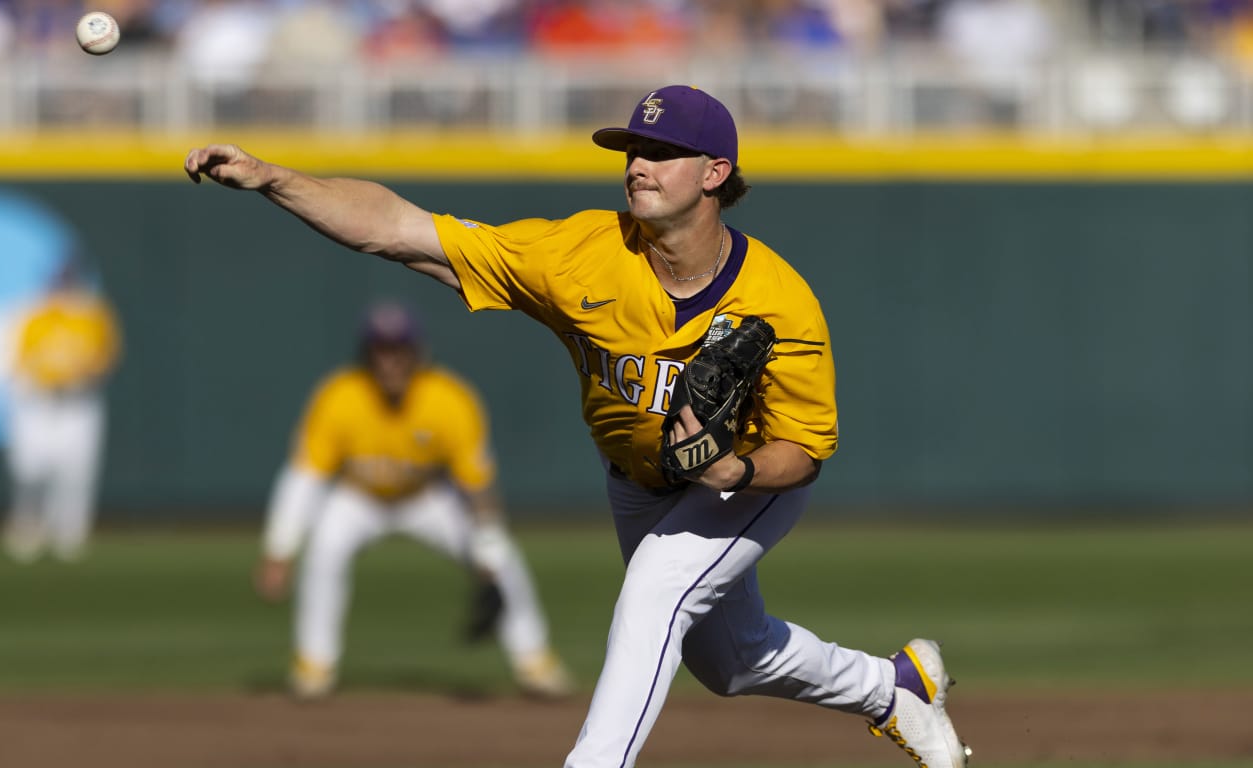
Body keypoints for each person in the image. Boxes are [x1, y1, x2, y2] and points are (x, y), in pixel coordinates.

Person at [184, 84, 970, 768]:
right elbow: (401, 230)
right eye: (632, 148)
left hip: (748, 483)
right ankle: (893, 688)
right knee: (731, 661)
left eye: (662, 151)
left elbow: (805, 452)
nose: (637, 164)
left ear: (715, 173)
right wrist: (273, 178)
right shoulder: (579, 255)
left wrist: (734, 472)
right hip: (637, 480)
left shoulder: (779, 299)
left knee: (656, 588)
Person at [258, 301, 571, 700]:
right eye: (380, 350)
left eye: (398, 350)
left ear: (417, 354)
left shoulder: (449, 398)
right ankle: (313, 667)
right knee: (324, 547)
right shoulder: (340, 397)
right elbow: (304, 478)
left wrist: (487, 559)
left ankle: (535, 663)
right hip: (358, 498)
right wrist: (279, 550)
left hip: (427, 500)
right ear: (366, 355)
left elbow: (477, 488)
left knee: (504, 559)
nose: (390, 361)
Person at [2, 260, 121, 564]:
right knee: (31, 471)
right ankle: (27, 530)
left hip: (79, 402)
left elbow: (107, 356)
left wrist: (85, 373)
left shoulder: (91, 313)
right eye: (59, 282)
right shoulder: (31, 313)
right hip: (39, 404)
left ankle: (70, 536)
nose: (63, 288)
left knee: (76, 474)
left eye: (68, 282)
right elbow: (13, 362)